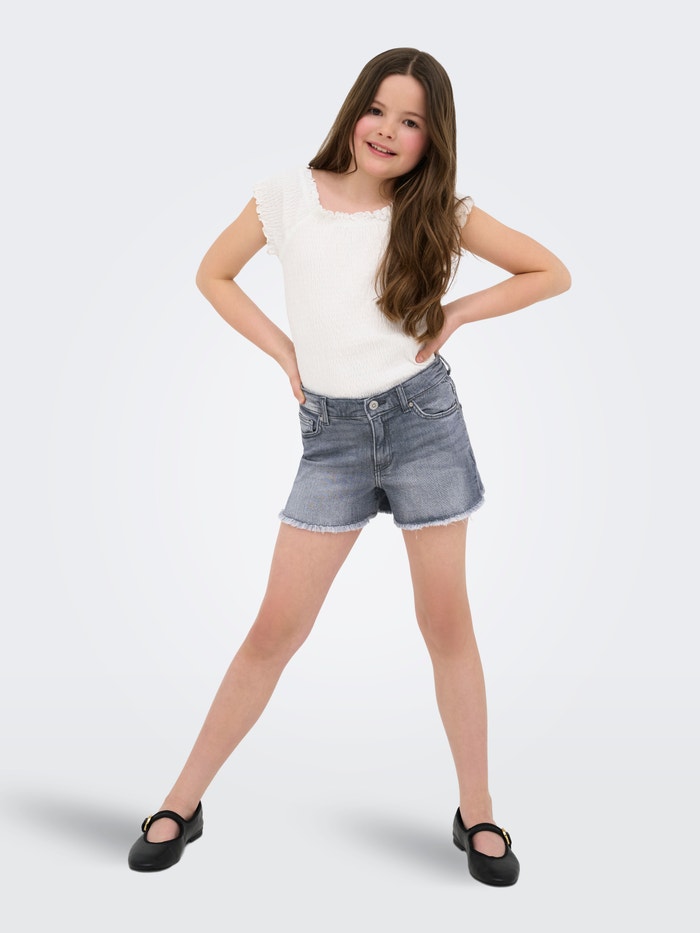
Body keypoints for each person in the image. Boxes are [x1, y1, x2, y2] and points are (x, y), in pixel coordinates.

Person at [128, 47, 570, 886]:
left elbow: (552, 271)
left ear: (433, 138)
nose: (389, 131)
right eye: (379, 110)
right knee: (274, 631)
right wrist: (283, 352)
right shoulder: (288, 196)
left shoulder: (440, 210)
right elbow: (213, 274)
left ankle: (477, 811)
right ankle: (182, 800)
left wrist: (459, 313)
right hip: (330, 439)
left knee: (446, 625)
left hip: (423, 424)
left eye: (412, 122)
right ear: (354, 110)